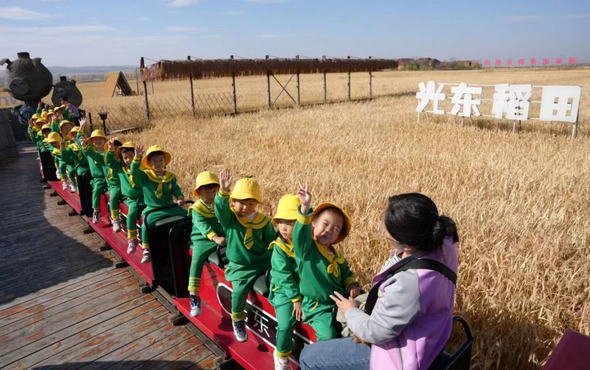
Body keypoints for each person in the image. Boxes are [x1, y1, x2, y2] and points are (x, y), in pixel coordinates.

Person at [299, 193, 459, 370]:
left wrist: (351, 311)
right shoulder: (440, 245)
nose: (382, 230)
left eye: (387, 230)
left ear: (407, 243)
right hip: (429, 337)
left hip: (397, 358)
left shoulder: (411, 282)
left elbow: (376, 332)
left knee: (309, 356)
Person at [293, 182, 360, 342]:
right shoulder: (307, 250)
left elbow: (346, 274)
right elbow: (299, 235)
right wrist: (305, 208)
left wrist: (351, 285)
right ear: (313, 222)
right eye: (325, 224)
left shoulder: (337, 256)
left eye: (336, 229)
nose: (329, 230)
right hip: (318, 306)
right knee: (328, 336)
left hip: (340, 301)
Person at [214, 169, 275, 343]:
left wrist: (273, 257)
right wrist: (223, 192)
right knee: (239, 291)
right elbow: (220, 210)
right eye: (240, 202)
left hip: (262, 262)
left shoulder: (263, 221)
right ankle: (237, 319)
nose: (245, 207)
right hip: (241, 266)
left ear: (256, 203)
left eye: (250, 203)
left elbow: (271, 241)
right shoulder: (231, 219)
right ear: (233, 202)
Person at [131, 145, 187, 263]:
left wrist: (180, 198)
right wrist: (136, 158)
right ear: (149, 163)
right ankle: (146, 249)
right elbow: (134, 172)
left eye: (160, 160)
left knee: (188, 215)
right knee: (145, 225)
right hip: (153, 209)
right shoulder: (146, 176)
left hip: (170, 207)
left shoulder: (170, 176)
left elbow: (176, 189)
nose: (158, 163)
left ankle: (188, 239)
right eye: (155, 161)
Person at [268, 193, 303, 370]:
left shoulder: (306, 245)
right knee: (286, 322)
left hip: (302, 289)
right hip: (284, 290)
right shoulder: (279, 248)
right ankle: (281, 355)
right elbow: (284, 275)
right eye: (281, 222)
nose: (283, 227)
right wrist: (296, 298)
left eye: (289, 223)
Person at [187, 171, 226, 317]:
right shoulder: (197, 208)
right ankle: (194, 295)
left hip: (221, 236)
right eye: (207, 190)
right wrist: (215, 238)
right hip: (202, 239)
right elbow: (202, 225)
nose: (211, 193)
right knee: (196, 260)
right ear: (200, 191)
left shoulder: (218, 203)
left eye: (214, 190)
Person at [105, 140, 144, 253]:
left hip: (145, 197)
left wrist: (137, 160)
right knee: (131, 214)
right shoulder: (119, 168)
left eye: (131, 156)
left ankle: (145, 240)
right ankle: (132, 239)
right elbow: (109, 162)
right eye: (125, 158)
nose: (128, 160)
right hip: (131, 199)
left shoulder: (141, 168)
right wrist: (110, 150)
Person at [78, 121, 108, 224]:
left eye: (100, 139)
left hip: (109, 177)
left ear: (104, 141)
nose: (98, 141)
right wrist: (81, 128)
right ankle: (96, 209)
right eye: (95, 139)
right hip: (98, 178)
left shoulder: (105, 153)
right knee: (96, 189)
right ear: (91, 141)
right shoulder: (89, 152)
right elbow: (80, 142)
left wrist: (85, 147)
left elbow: (95, 156)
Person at [104, 138, 123, 232]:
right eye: (112, 149)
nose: (114, 152)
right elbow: (109, 160)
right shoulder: (112, 163)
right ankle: (115, 219)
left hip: (125, 184)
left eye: (116, 150)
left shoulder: (123, 161)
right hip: (115, 185)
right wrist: (110, 150)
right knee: (114, 195)